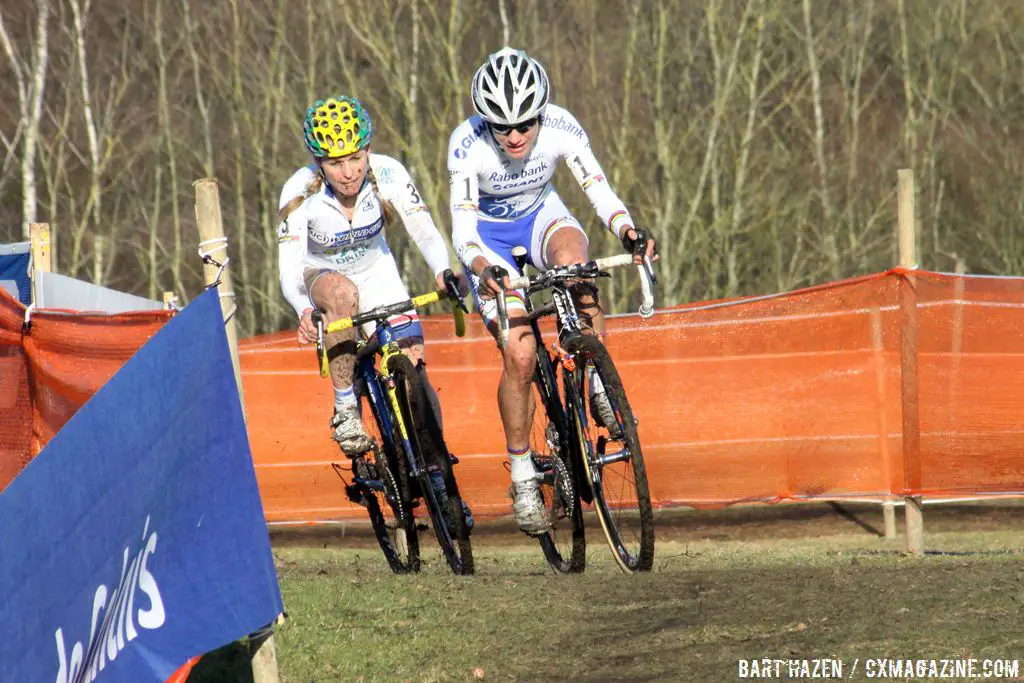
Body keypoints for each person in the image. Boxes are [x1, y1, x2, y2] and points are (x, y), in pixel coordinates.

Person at [446, 47, 659, 535]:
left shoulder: (562, 126)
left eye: (526, 124)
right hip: (489, 243)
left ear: (541, 113)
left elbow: (597, 189)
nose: (516, 136)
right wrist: (482, 268)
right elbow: (462, 229)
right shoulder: (467, 144)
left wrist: (628, 231)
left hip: (543, 216)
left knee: (577, 269)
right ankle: (522, 472)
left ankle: (598, 382)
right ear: (486, 123)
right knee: (520, 356)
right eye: (504, 127)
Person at [278, 95, 456, 456]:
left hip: (376, 272)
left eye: (356, 158)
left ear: (368, 150)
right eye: (336, 163)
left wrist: (443, 270)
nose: (349, 172)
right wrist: (302, 309)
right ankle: (345, 407)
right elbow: (290, 268)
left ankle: (438, 469)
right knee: (342, 295)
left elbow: (422, 228)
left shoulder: (388, 172)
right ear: (319, 164)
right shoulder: (299, 191)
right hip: (321, 275)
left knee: (413, 367)